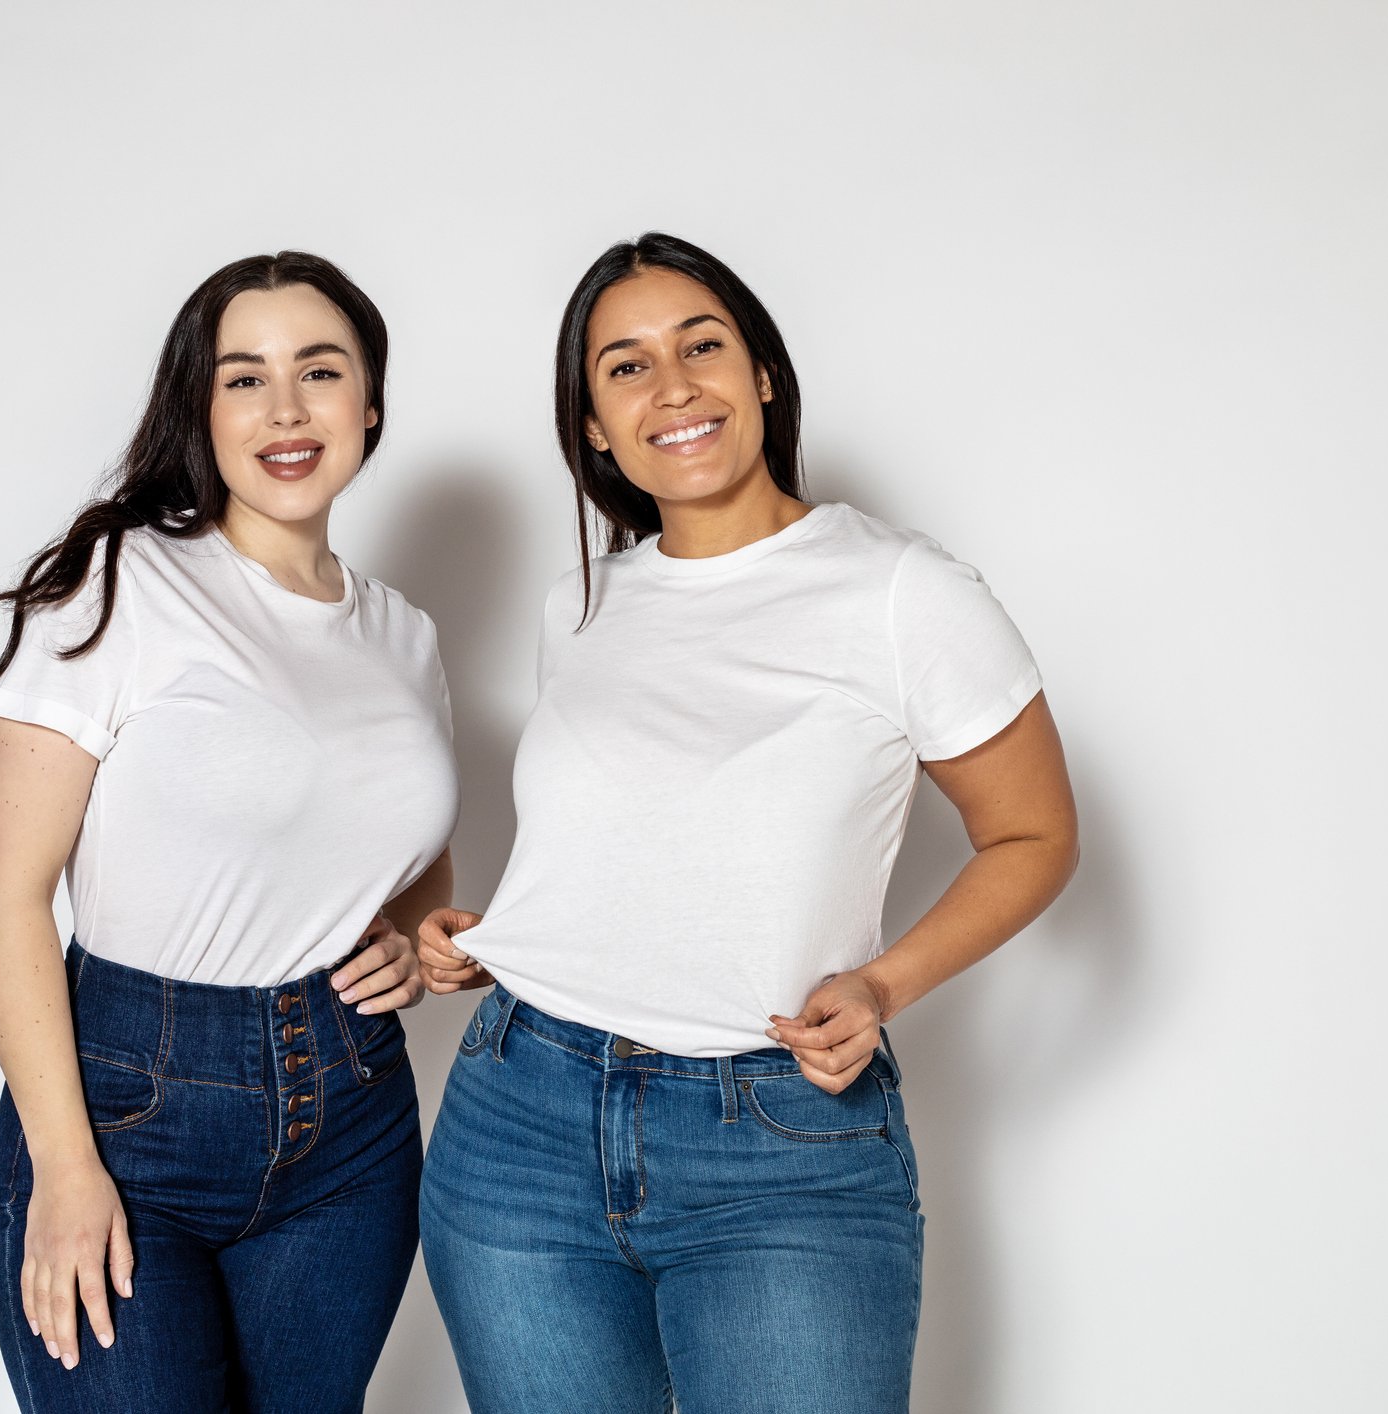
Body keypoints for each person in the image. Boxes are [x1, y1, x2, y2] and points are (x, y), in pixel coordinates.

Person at [416, 232, 1077, 1413]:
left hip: (777, 1138)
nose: (671, 386)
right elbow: (627, 837)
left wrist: (883, 984)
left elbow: (1033, 836)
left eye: (701, 346)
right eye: (624, 368)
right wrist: (495, 934)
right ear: (593, 431)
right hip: (520, 1118)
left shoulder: (902, 591)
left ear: (761, 373)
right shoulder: (582, 602)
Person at [0, 251, 457, 1413]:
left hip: (354, 1127)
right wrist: (67, 1166)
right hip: (126, 1114)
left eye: (319, 371)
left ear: (370, 404)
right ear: (201, 406)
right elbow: (3, 894)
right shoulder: (119, 584)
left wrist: (414, 939)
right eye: (245, 379)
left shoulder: (408, 638)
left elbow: (418, 861)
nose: (285, 411)